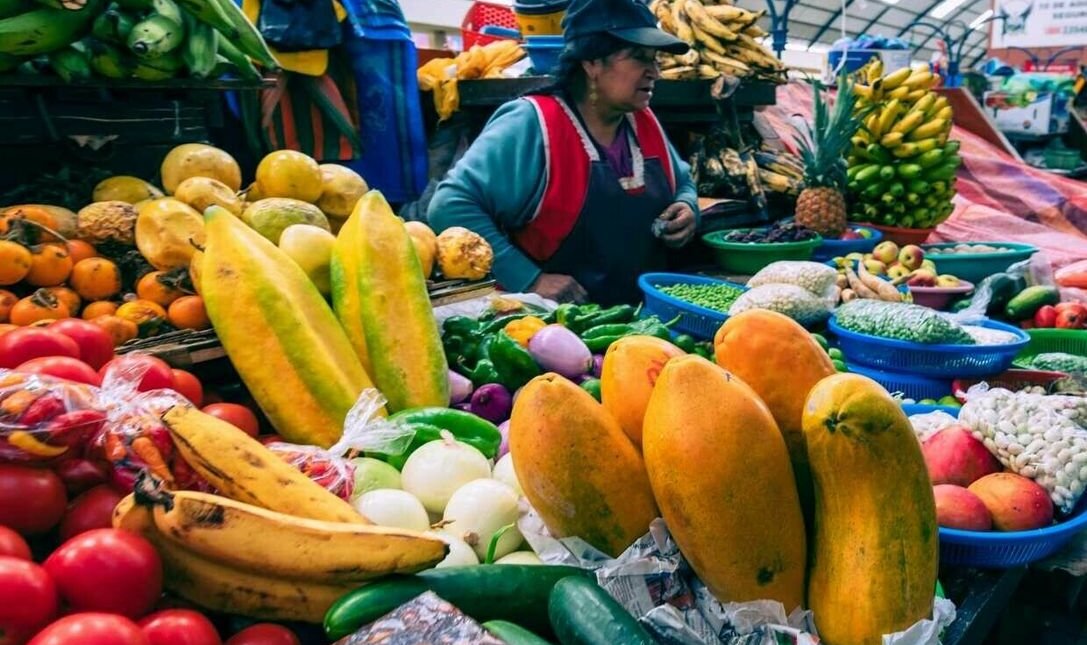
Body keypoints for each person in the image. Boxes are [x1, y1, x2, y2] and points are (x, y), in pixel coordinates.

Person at [428, 0, 700, 305]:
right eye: (639, 57)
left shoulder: (642, 121)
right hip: (556, 329)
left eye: (655, 59)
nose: (655, 72)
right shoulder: (534, 125)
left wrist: (687, 206)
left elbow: (683, 181)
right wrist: (528, 278)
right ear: (591, 63)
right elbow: (449, 205)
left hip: (645, 322)